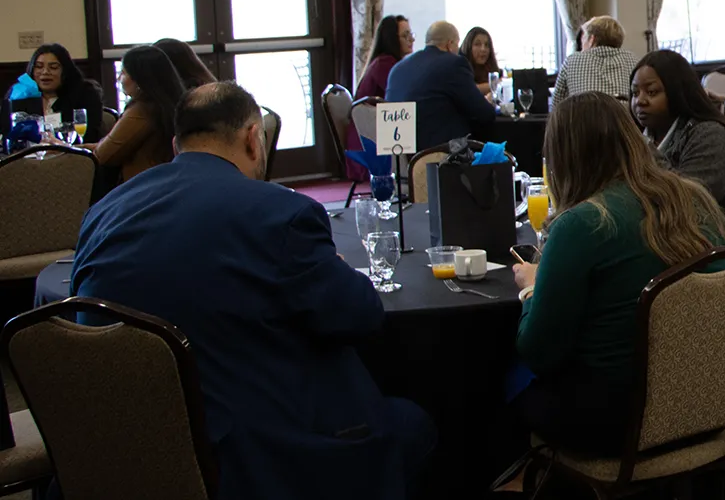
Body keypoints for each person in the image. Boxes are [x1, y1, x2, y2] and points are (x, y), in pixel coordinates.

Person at [70, 82, 435, 500]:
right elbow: (360, 315)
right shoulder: (279, 212)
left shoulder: (102, 212)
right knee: (413, 425)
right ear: (252, 138)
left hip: (122, 451)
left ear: (176, 145)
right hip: (249, 457)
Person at [508, 91, 725, 456]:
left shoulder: (582, 224)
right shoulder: (693, 200)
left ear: (563, 157)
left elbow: (538, 352)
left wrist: (531, 289)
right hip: (704, 406)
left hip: (618, 426)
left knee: (502, 377)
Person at [630, 50, 725, 248]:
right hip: (673, 242)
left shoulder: (711, 135)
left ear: (677, 92)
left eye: (651, 92)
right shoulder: (647, 135)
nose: (640, 101)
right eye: (634, 93)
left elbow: (688, 204)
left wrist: (643, 149)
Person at [386, 20, 496, 152]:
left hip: (401, 159)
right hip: (438, 158)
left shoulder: (397, 68)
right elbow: (485, 114)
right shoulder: (453, 63)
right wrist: (488, 102)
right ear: (450, 45)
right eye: (457, 44)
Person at [81, 46, 185, 183]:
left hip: (141, 188)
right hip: (167, 182)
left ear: (140, 79)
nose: (118, 78)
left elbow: (104, 155)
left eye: (123, 73)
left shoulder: (142, 111)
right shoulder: (171, 103)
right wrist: (72, 147)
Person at [347, 15, 413, 181]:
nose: (411, 39)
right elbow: (403, 98)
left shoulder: (389, 62)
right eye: (405, 35)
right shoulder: (385, 64)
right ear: (392, 39)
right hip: (371, 142)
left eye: (411, 34)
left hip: (380, 134)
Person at [2, 43, 103, 142]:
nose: (45, 72)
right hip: (28, 155)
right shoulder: (20, 94)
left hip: (72, 154)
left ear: (65, 71)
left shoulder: (85, 94)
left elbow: (90, 136)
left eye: (53, 67)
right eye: (39, 66)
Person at [551, 16, 639, 107]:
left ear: (591, 39)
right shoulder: (633, 60)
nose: (581, 44)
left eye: (583, 38)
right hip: (623, 119)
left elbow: (556, 105)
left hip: (584, 119)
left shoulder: (572, 61)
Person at [460, 26, 501, 97]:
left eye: (487, 45)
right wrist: (495, 85)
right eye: (477, 44)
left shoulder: (494, 71)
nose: (483, 49)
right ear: (468, 47)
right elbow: (467, 89)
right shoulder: (460, 67)